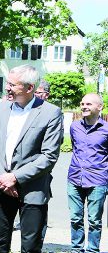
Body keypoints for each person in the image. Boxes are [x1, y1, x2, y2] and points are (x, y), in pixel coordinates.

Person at [0, 64, 63, 253]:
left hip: (32, 190)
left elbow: (49, 156)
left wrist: (15, 177)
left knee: (30, 247)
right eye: (7, 83)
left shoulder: (50, 113)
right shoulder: (1, 109)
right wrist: (3, 177)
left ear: (29, 88)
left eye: (13, 85)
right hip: (2, 187)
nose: (7, 88)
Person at [67, 93, 108, 253]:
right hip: (74, 179)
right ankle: (76, 250)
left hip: (98, 180)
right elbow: (74, 147)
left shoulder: (106, 130)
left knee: (94, 220)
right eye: (82, 103)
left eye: (89, 104)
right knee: (75, 218)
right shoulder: (74, 127)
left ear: (100, 107)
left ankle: (92, 250)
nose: (84, 106)